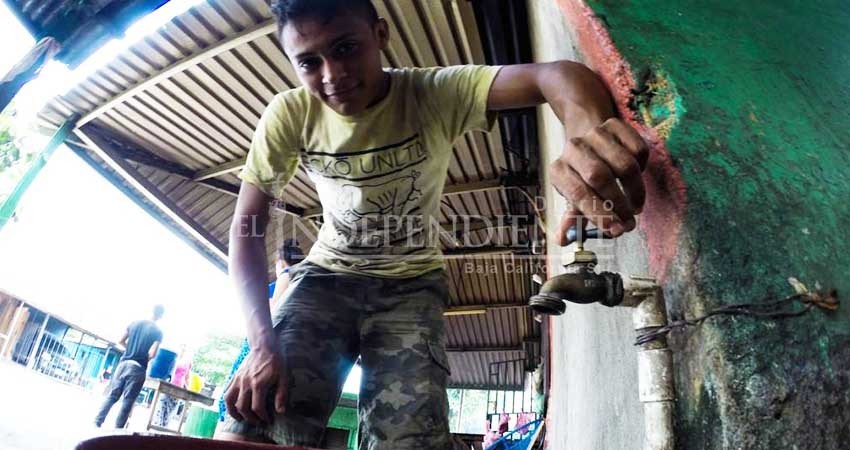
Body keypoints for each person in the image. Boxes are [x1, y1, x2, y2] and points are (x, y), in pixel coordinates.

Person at [222, 1, 648, 448]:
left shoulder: (434, 93)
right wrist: (261, 344)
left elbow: (557, 75)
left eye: (346, 48)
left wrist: (585, 135)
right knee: (258, 411)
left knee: (410, 440)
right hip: (327, 277)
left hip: (411, 287)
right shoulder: (289, 114)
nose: (332, 74)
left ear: (381, 35)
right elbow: (246, 226)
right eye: (309, 61)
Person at [216, 239, 303, 424]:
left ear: (280, 261)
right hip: (280, 349)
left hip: (262, 345)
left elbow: (274, 314)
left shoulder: (287, 276)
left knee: (234, 403)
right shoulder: (301, 279)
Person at [94, 305, 164, 429]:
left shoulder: (134, 323)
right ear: (161, 315)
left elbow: (120, 340)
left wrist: (130, 351)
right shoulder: (157, 332)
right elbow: (152, 354)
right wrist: (141, 356)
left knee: (112, 396)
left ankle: (97, 422)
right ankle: (117, 431)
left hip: (123, 364)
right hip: (137, 368)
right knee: (128, 401)